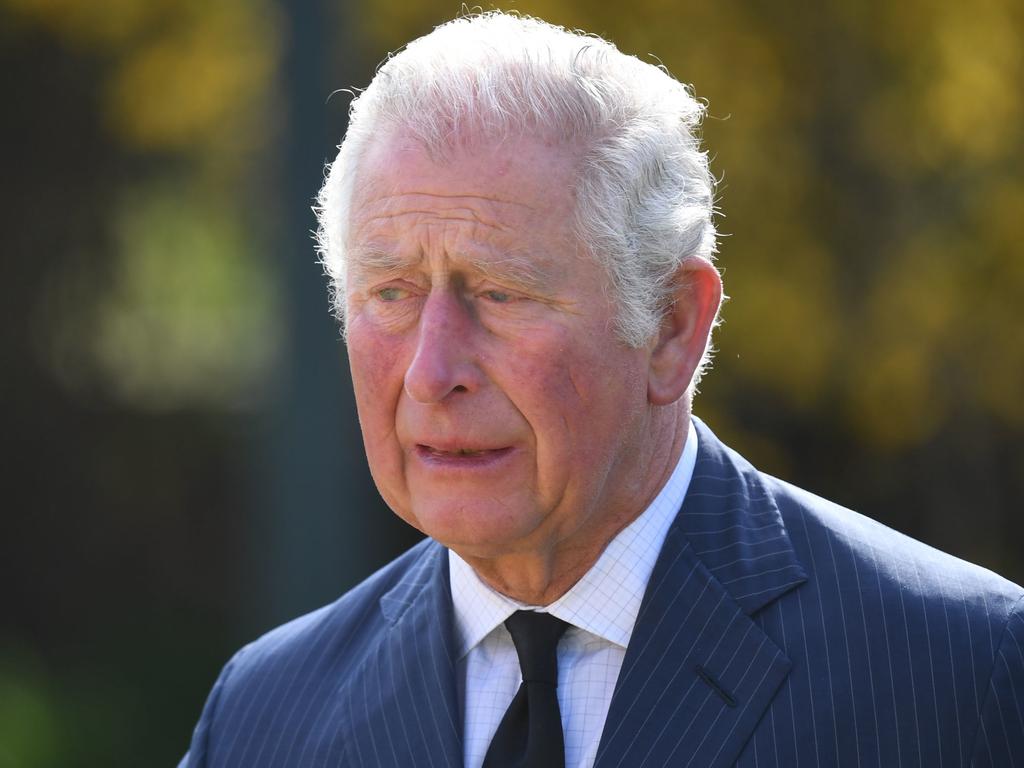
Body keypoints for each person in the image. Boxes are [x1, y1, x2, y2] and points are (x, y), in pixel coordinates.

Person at [180, 12, 1024, 767]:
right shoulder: (263, 717)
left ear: (669, 328)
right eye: (391, 293)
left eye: (502, 293)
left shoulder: (959, 671)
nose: (433, 373)